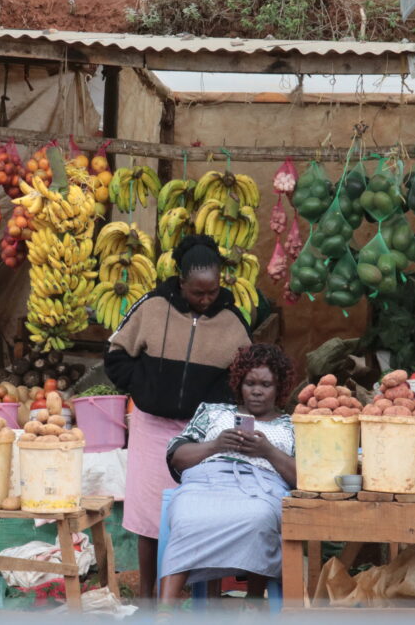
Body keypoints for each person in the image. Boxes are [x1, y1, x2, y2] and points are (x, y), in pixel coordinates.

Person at [105, 234, 251, 599]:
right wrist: (146, 389)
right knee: (150, 517)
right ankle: (147, 596)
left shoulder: (233, 322)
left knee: (205, 517)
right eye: (197, 292)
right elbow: (116, 355)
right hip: (152, 427)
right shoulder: (152, 307)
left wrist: (217, 405)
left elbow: (246, 376)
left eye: (212, 292)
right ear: (181, 281)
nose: (205, 300)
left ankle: (205, 598)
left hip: (204, 436)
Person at [159, 343, 297, 604]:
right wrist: (216, 445)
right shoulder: (213, 413)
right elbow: (177, 456)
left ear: (279, 387)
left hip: (260, 491)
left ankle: (253, 601)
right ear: (239, 383)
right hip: (205, 485)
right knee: (187, 517)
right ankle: (164, 614)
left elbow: (303, 478)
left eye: (266, 385)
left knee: (259, 518)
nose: (256, 391)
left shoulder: (291, 425)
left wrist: (267, 450)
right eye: (250, 383)